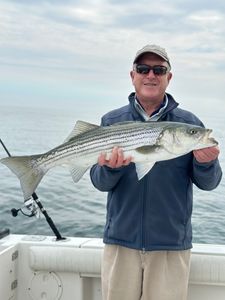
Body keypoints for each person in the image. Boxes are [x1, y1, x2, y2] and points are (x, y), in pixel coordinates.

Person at [90, 44, 222, 300]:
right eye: (143, 69)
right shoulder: (112, 121)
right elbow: (99, 182)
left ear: (168, 78)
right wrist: (110, 170)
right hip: (121, 242)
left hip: (170, 246)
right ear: (133, 75)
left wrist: (206, 164)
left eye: (159, 70)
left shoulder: (190, 125)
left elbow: (209, 183)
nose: (151, 75)